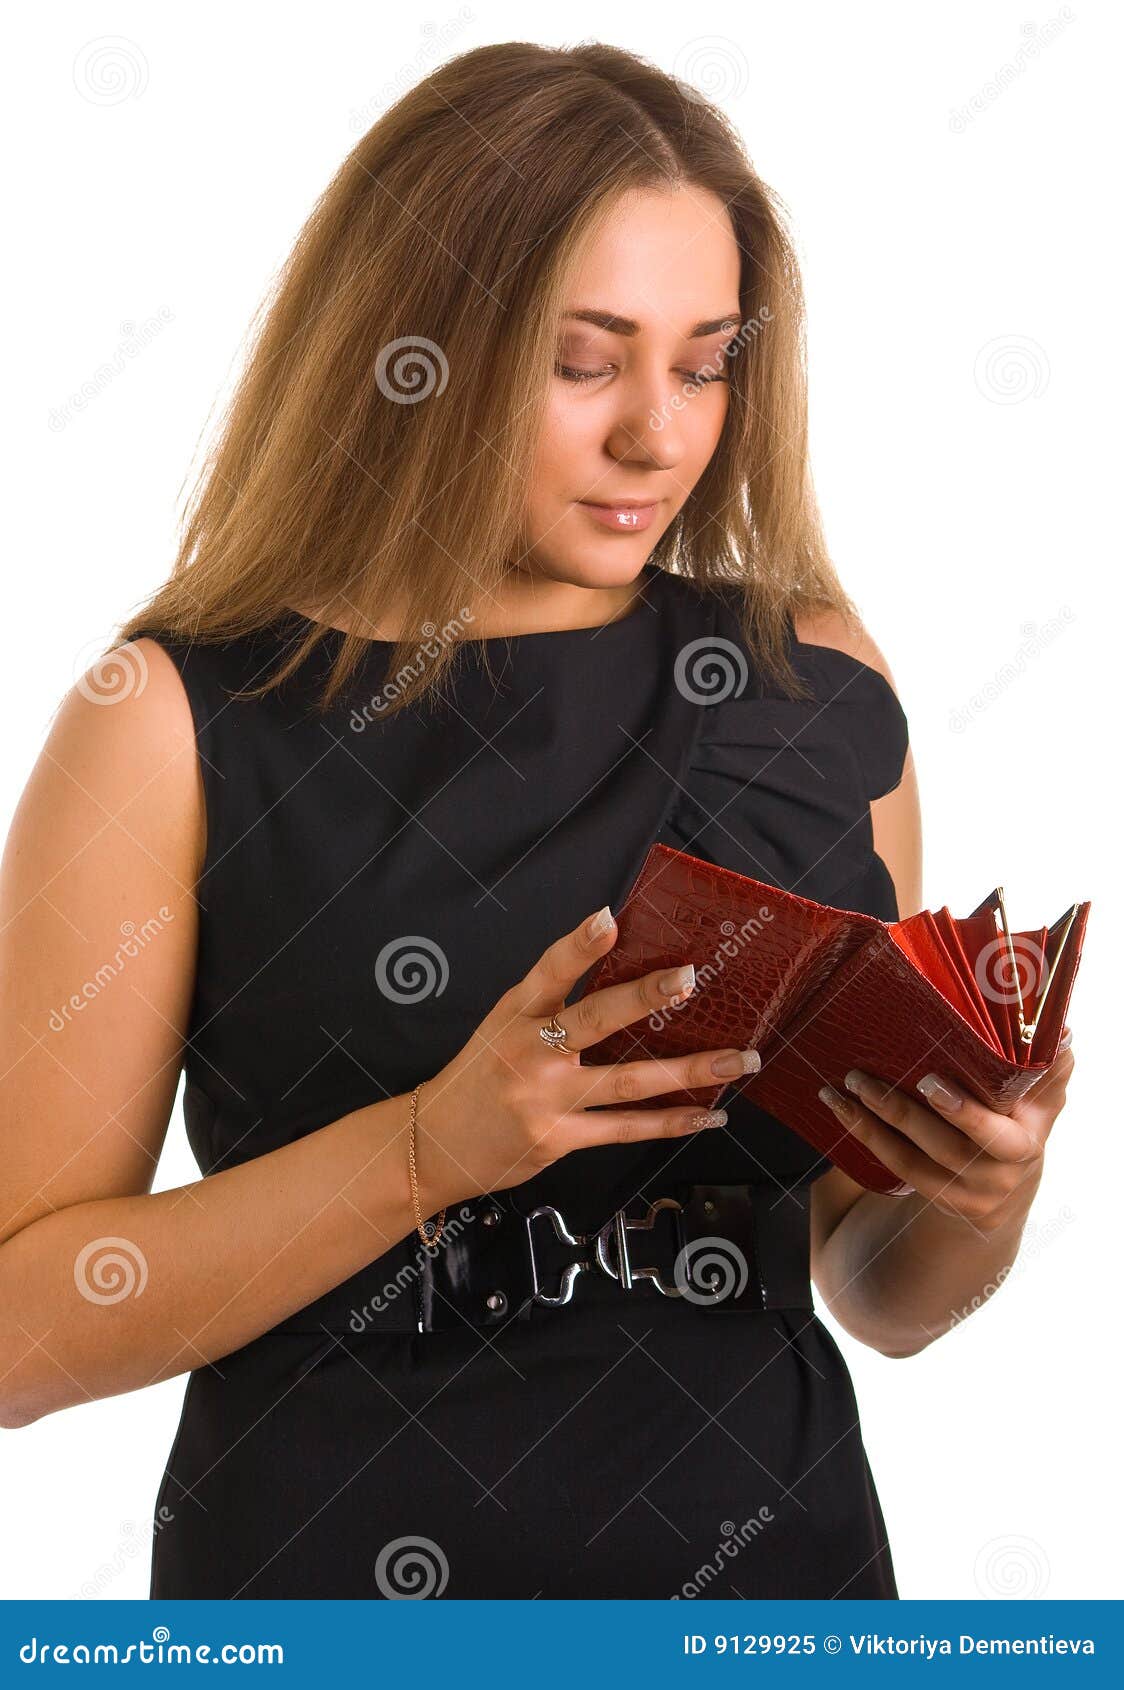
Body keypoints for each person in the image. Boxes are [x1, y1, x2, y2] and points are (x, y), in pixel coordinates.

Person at [0, 41, 1074, 1600]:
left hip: (775, 1595)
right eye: (588, 360)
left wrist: (984, 1189)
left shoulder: (808, 688)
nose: (662, 432)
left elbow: (878, 1286)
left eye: (705, 360)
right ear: (411, 348)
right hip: (331, 1607)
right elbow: (23, 1330)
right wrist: (430, 1149)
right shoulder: (173, 719)